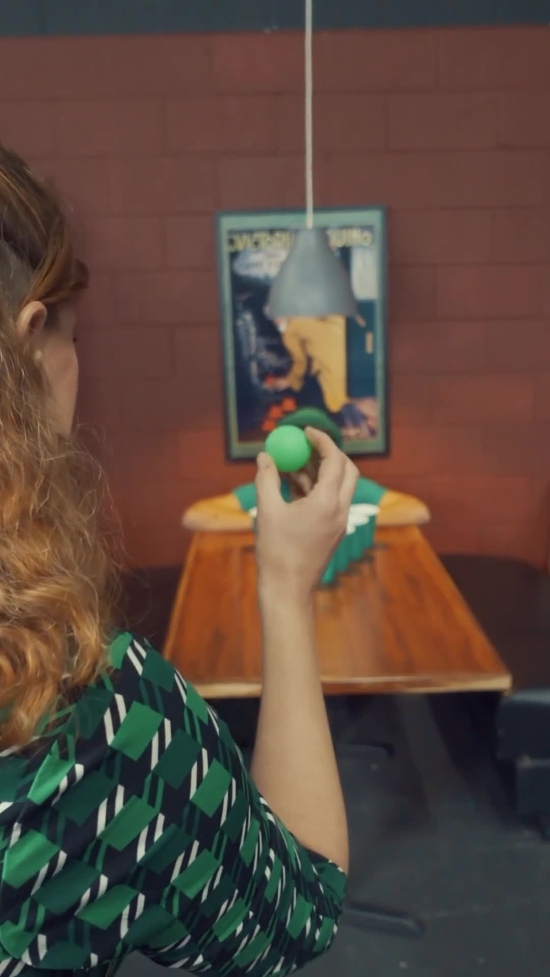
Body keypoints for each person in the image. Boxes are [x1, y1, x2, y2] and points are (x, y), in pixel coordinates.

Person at [0, 146, 354, 976]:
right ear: (30, 342)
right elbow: (300, 907)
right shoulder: (88, 719)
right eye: (76, 337)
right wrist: (285, 585)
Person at [184, 407, 430, 534]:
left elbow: (415, 511)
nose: (307, 463)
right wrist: (277, 525)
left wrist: (337, 523)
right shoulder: (271, 491)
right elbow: (196, 515)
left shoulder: (348, 489)